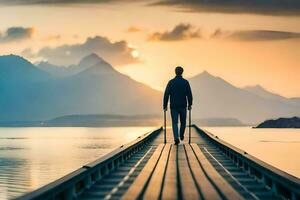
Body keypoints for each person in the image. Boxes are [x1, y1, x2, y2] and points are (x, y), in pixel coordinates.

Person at [163, 66, 193, 145]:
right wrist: (190, 104)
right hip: (183, 105)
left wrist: (164, 105)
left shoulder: (171, 82)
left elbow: (166, 94)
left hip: (173, 106)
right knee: (183, 122)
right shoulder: (185, 82)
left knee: (174, 122)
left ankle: (176, 138)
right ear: (182, 72)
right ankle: (181, 134)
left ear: (175, 72)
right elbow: (189, 94)